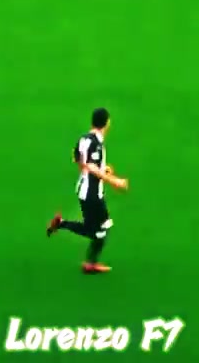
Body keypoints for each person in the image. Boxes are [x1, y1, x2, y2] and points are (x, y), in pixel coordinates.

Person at [47, 107, 128, 275]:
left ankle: (89, 261)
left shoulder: (84, 139)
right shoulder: (96, 143)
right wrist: (115, 181)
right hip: (92, 194)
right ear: (107, 123)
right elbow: (90, 165)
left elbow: (81, 163)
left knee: (102, 226)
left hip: (85, 189)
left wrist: (103, 169)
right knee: (98, 231)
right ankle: (88, 261)